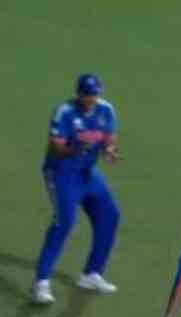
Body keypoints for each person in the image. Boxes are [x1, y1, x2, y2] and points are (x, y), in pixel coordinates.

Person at [32, 73, 122, 304]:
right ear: (79, 94)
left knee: (110, 215)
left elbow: (108, 137)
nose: (92, 99)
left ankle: (91, 274)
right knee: (64, 222)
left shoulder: (105, 110)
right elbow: (55, 147)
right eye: (88, 95)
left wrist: (109, 150)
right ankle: (41, 282)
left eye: (95, 95)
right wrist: (76, 148)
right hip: (61, 173)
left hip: (87, 173)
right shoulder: (64, 112)